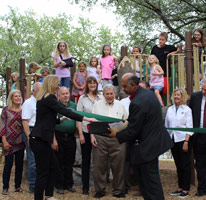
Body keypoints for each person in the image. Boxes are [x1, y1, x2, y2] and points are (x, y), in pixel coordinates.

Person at [29, 75, 96, 200]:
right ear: (51, 84)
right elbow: (65, 110)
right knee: (43, 173)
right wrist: (85, 118)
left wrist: (60, 120)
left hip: (42, 140)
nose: (59, 87)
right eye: (58, 84)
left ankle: (48, 195)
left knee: (54, 167)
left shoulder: (43, 99)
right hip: (39, 140)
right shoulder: (49, 98)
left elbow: (46, 120)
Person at [109, 73, 173, 200]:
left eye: (125, 86)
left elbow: (133, 130)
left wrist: (117, 134)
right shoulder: (148, 94)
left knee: (149, 184)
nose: (122, 88)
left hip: (146, 148)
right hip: (153, 144)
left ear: (133, 85)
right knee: (150, 183)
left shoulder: (137, 102)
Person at [91, 84, 127, 199]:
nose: (109, 96)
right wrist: (92, 136)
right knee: (99, 165)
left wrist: (121, 134)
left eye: (111, 93)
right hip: (100, 137)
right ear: (103, 94)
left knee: (118, 166)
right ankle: (100, 191)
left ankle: (118, 190)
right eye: (107, 94)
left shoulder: (121, 105)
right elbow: (92, 122)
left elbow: (126, 121)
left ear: (114, 94)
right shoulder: (97, 105)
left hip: (117, 138)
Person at [165, 88, 193, 198]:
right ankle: (180, 187)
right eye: (175, 95)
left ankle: (186, 189)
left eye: (178, 95)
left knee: (185, 164)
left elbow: (189, 127)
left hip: (183, 139)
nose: (176, 97)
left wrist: (186, 141)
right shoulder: (170, 109)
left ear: (183, 97)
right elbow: (167, 126)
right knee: (178, 164)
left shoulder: (187, 110)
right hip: (173, 139)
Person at [76, 76, 102, 195]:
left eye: (94, 83)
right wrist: (80, 134)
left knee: (98, 161)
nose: (92, 85)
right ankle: (85, 187)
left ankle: (99, 186)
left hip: (97, 133)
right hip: (85, 132)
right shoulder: (82, 98)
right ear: (87, 85)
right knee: (85, 160)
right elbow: (78, 117)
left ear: (97, 84)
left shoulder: (100, 98)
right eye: (90, 83)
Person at [0, 90, 25, 195]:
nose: (18, 98)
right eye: (16, 96)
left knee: (19, 165)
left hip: (20, 142)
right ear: (11, 98)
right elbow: (2, 126)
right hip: (8, 142)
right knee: (8, 165)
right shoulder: (6, 110)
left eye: (19, 96)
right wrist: (4, 141)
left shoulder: (24, 110)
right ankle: (5, 187)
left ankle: (18, 186)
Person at [54, 87, 78, 194]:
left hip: (71, 137)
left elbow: (78, 119)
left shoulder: (73, 106)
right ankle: (59, 185)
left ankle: (69, 184)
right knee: (59, 161)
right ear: (59, 96)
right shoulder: (55, 106)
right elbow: (52, 122)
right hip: (58, 136)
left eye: (67, 93)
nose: (65, 96)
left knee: (70, 161)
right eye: (63, 94)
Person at [22, 82, 42, 194]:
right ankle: (33, 185)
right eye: (39, 90)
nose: (41, 92)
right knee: (33, 160)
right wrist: (29, 136)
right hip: (31, 130)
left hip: (41, 131)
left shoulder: (42, 102)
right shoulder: (28, 103)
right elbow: (25, 121)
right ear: (33, 91)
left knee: (41, 159)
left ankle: (40, 183)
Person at [189, 78, 206, 197]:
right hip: (199, 135)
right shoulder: (195, 97)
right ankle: (202, 189)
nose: (204, 91)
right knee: (200, 163)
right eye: (203, 89)